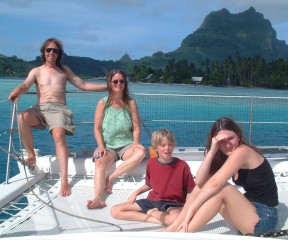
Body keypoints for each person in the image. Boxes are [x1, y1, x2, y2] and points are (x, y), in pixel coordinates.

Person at [8, 38, 107, 197]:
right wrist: (17, 90)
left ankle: (64, 181)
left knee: (58, 136)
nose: (52, 53)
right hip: (39, 108)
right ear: (44, 52)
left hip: (58, 109)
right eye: (49, 50)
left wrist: (108, 86)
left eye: (55, 50)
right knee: (22, 118)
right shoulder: (37, 71)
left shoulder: (64, 70)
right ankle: (31, 154)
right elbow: (25, 85)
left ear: (59, 54)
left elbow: (83, 85)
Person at [164, 117, 278, 236]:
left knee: (222, 189)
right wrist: (212, 151)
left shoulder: (243, 151)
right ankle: (174, 228)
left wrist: (193, 208)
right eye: (222, 141)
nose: (227, 144)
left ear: (238, 136)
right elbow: (199, 181)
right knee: (202, 188)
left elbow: (215, 183)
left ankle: (181, 235)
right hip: (248, 214)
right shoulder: (226, 156)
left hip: (264, 219)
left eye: (230, 138)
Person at [86, 70, 146, 209]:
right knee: (100, 162)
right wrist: (101, 146)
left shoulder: (130, 103)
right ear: (110, 83)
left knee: (141, 152)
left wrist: (136, 143)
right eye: (115, 81)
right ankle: (98, 199)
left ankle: (111, 178)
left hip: (127, 144)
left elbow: (136, 127)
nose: (118, 84)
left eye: (121, 81)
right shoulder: (103, 103)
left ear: (125, 84)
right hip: (108, 145)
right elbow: (97, 128)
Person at [110, 129, 195, 225]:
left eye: (170, 144)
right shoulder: (152, 163)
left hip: (173, 204)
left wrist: (187, 208)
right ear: (156, 148)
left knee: (175, 219)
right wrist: (135, 193)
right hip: (152, 201)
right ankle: (156, 218)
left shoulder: (182, 165)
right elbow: (149, 184)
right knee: (115, 210)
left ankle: (151, 212)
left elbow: (190, 191)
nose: (167, 148)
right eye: (163, 145)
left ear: (173, 146)